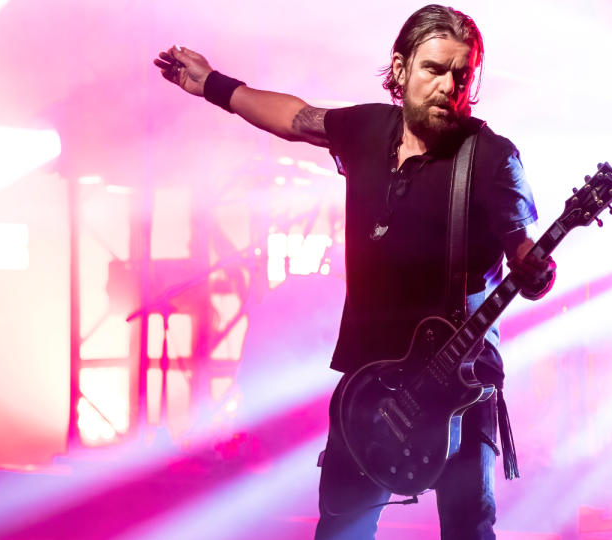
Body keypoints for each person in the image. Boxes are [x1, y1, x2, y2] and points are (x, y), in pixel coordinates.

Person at [154, 5, 555, 539]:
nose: (449, 86)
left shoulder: (492, 159)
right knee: (342, 529)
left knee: (468, 530)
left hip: (457, 385)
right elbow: (295, 119)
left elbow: (527, 256)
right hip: (371, 384)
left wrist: (537, 271)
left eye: (462, 74)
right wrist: (212, 85)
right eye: (435, 69)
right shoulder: (368, 129)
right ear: (400, 69)